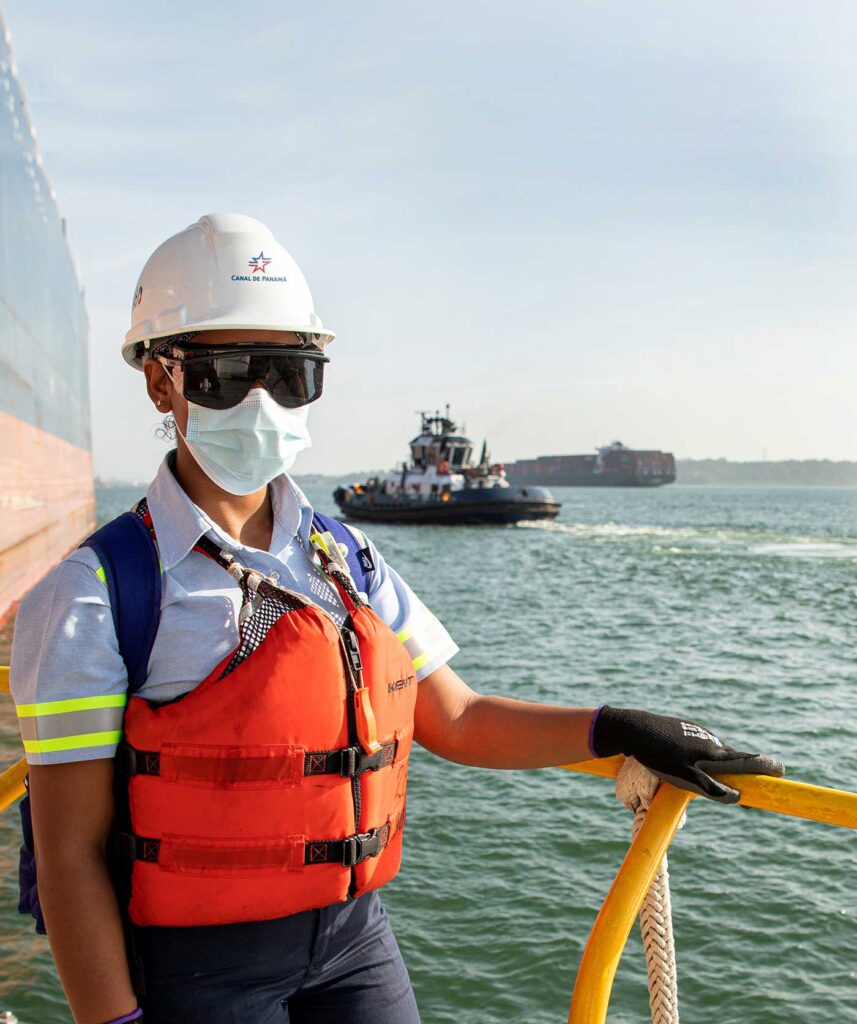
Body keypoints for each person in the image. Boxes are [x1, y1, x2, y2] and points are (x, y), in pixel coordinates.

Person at [9, 214, 784, 1024]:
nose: (262, 399)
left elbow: (456, 715)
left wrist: (614, 727)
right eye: (227, 371)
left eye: (290, 371)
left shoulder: (346, 556)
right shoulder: (96, 592)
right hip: (198, 971)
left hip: (353, 944)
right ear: (159, 382)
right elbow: (69, 855)